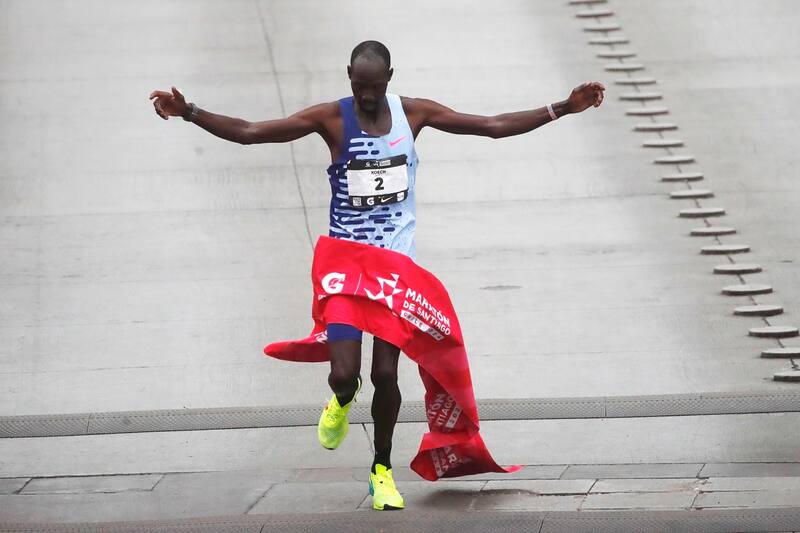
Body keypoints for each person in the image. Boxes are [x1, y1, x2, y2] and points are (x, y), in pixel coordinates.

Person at [149, 40, 605, 511]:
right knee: (345, 375)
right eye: (358, 85)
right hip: (347, 269)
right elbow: (250, 132)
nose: (366, 95)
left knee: (386, 373)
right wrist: (190, 112)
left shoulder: (414, 114)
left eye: (374, 86)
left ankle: (381, 470)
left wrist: (562, 109)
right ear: (349, 75)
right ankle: (342, 399)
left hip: (394, 272)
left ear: (390, 77)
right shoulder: (330, 118)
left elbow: (490, 127)